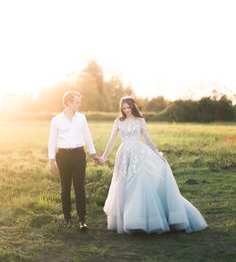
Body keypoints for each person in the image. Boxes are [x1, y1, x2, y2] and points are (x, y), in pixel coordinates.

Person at [96, 96, 207, 234]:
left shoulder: (140, 120)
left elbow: (148, 139)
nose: (126, 110)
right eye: (123, 108)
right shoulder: (118, 121)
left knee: (138, 183)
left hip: (138, 154)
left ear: (133, 106)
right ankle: (124, 219)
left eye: (128, 107)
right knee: (122, 185)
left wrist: (157, 154)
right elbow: (111, 140)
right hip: (123, 155)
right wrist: (103, 157)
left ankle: (139, 219)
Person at [48, 91, 98, 230]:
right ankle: (67, 218)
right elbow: (52, 141)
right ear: (68, 102)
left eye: (79, 101)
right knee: (65, 188)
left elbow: (87, 136)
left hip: (78, 154)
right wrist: (51, 161)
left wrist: (93, 154)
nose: (79, 104)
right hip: (62, 156)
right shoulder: (56, 120)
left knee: (80, 188)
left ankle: (82, 221)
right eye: (77, 101)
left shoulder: (81, 118)